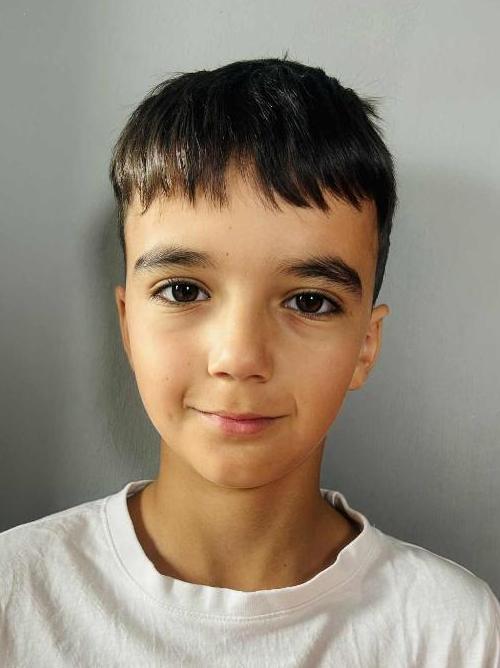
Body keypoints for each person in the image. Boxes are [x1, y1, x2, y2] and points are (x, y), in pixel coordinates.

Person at [1, 56, 499, 667]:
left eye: (309, 301)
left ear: (366, 346)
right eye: (183, 290)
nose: (238, 358)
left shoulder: (454, 635)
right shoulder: (16, 597)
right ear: (128, 324)